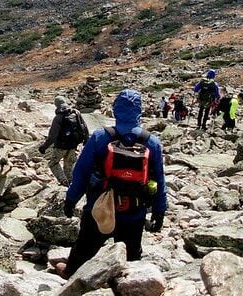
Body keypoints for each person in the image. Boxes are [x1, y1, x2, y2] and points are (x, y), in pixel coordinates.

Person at [58, 89, 167, 278]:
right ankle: (127, 285)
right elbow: (159, 180)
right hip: (134, 211)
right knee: (130, 257)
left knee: (85, 248)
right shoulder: (152, 142)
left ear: (115, 110)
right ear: (139, 112)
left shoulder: (101, 137)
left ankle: (71, 274)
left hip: (100, 207)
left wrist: (71, 199)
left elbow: (81, 172)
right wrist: (159, 210)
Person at [39, 96, 89, 186]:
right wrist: (86, 139)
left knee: (53, 163)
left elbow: (52, 136)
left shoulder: (58, 117)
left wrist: (44, 147)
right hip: (73, 145)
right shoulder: (76, 113)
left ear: (56, 105)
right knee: (69, 164)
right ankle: (70, 182)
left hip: (60, 146)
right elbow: (84, 127)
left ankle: (63, 180)